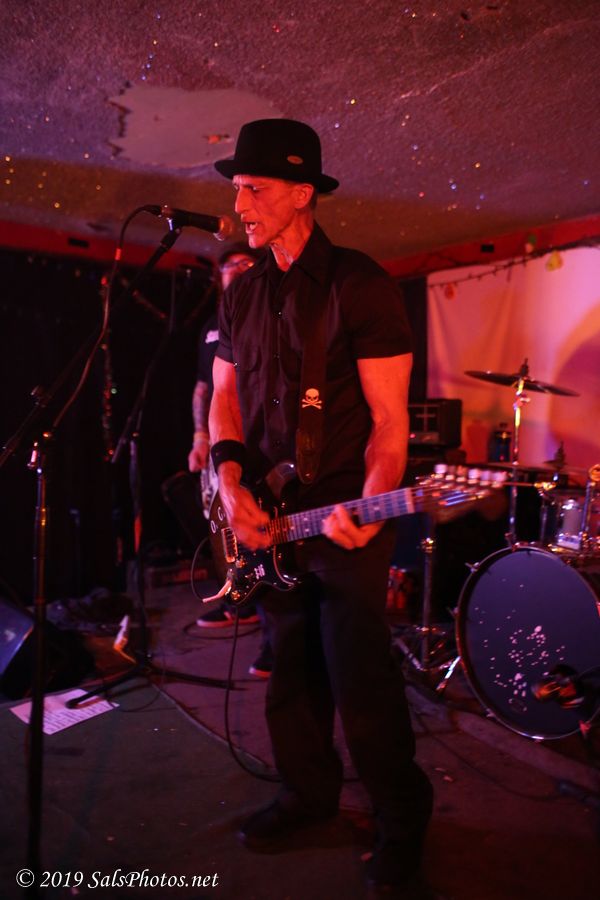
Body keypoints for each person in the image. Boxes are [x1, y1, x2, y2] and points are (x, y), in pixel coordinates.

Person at [209, 118, 433, 892]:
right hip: (271, 517)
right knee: (291, 673)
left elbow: (390, 425)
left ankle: (403, 819)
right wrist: (228, 481)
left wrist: (369, 510)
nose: (240, 203)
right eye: (237, 187)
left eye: (255, 188)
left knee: (359, 679)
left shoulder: (359, 285)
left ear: (303, 193)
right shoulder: (243, 293)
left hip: (345, 509)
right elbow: (225, 398)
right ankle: (309, 796)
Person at [188, 242, 273, 679]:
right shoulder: (211, 327)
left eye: (245, 263)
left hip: (263, 440)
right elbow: (206, 387)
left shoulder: (271, 313)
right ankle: (237, 597)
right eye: (228, 266)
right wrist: (200, 438)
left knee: (269, 528)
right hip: (223, 442)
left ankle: (274, 635)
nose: (236, 270)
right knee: (223, 524)